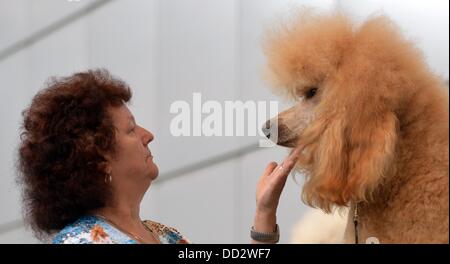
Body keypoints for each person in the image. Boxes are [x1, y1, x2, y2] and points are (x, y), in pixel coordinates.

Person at [17, 69, 300, 244]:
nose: (148, 134)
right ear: (98, 157)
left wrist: (264, 213)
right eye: (130, 129)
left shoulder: (165, 235)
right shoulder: (78, 243)